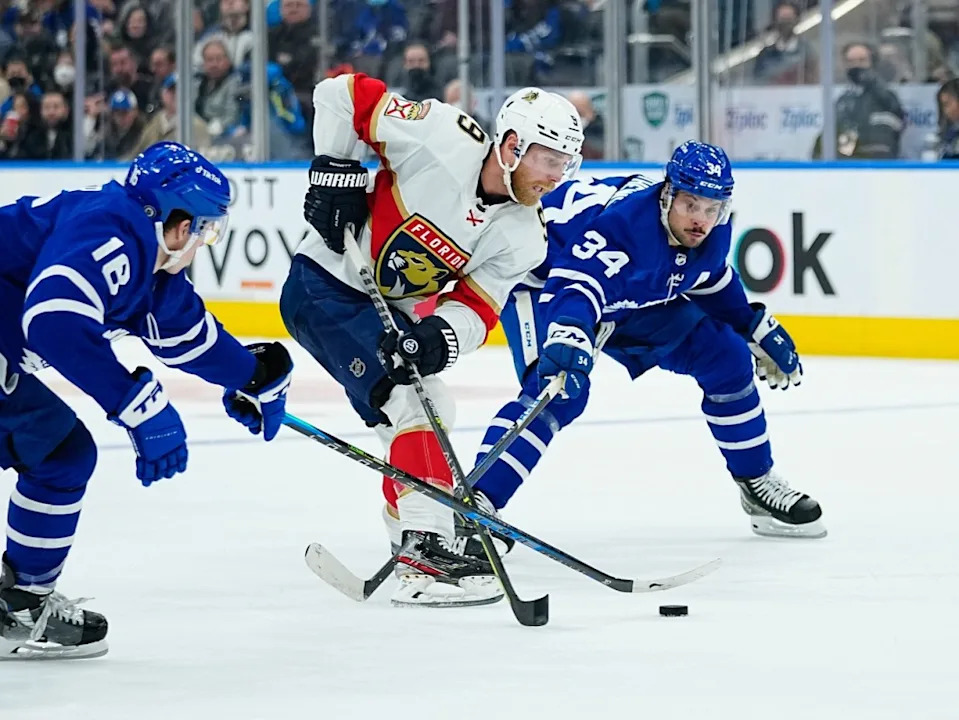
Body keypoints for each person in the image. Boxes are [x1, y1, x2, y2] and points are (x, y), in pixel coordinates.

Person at [280, 74, 583, 608]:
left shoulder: (524, 236)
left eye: (565, 164)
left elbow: (477, 307)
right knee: (411, 401)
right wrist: (336, 168)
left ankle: (412, 532)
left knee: (427, 408)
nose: (556, 176)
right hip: (323, 283)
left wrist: (439, 335)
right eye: (548, 159)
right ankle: (425, 553)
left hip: (385, 312)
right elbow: (338, 94)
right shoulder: (440, 136)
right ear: (511, 146)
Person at [0, 142, 294, 659]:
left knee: (59, 453)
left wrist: (255, 374)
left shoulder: (144, 258)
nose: (203, 241)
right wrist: (139, 405)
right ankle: (20, 605)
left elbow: (187, 333)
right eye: (205, 229)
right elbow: (52, 320)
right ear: (177, 222)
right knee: (59, 453)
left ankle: (21, 602)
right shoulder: (110, 232)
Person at [461, 141, 826, 556]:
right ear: (668, 193)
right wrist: (570, 332)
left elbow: (710, 279)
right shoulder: (624, 228)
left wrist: (750, 323)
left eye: (712, 208)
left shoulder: (709, 231)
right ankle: (477, 503)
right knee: (557, 393)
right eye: (691, 204)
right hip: (544, 285)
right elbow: (576, 285)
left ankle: (756, 481)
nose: (701, 220)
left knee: (725, 355)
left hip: (621, 294)